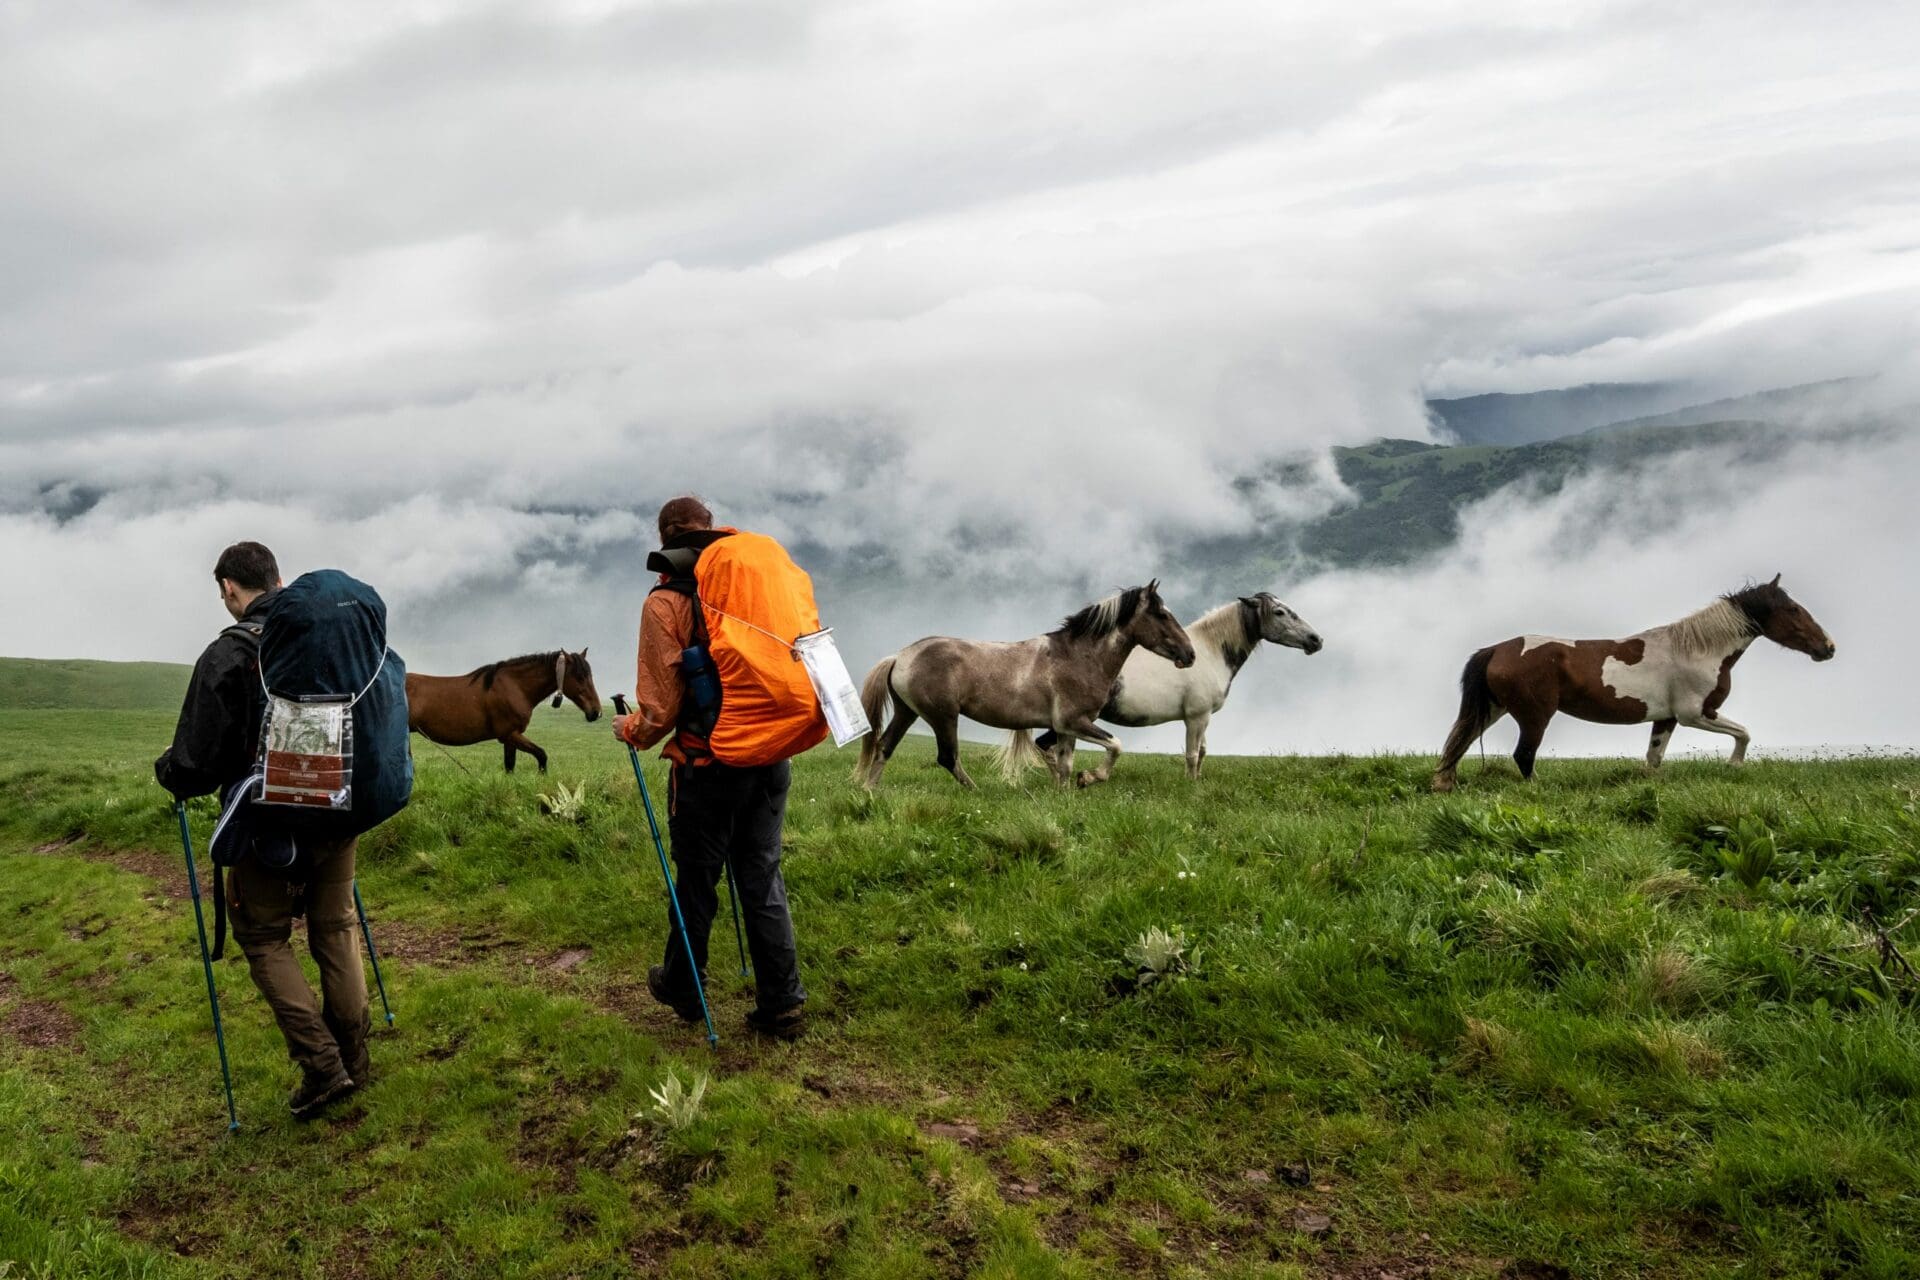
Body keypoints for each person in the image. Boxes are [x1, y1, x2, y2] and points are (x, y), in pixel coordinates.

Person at [155, 542, 371, 1118]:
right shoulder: (329, 635)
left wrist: (169, 773)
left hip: (266, 825)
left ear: (229, 589)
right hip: (340, 809)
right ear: (278, 579)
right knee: (336, 926)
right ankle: (355, 1055)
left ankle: (322, 1067)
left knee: (263, 937)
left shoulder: (229, 653)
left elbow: (195, 763)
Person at [614, 496, 810, 1039]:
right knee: (762, 876)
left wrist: (630, 729)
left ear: (666, 537)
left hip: (707, 765)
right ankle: (783, 1004)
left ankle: (684, 987)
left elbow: (660, 710)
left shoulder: (666, 602)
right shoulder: (757, 585)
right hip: (770, 754)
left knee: (697, 880)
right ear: (711, 530)